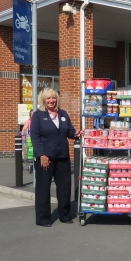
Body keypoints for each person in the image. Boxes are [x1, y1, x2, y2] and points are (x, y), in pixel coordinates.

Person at [30, 88, 83, 227]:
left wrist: (75, 133)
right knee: (43, 189)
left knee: (65, 187)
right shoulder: (38, 116)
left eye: (53, 98)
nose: (51, 101)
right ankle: (43, 219)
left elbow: (69, 131)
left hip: (62, 157)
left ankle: (64, 215)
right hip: (45, 158)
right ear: (43, 100)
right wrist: (42, 155)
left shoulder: (63, 114)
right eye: (48, 98)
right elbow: (34, 137)